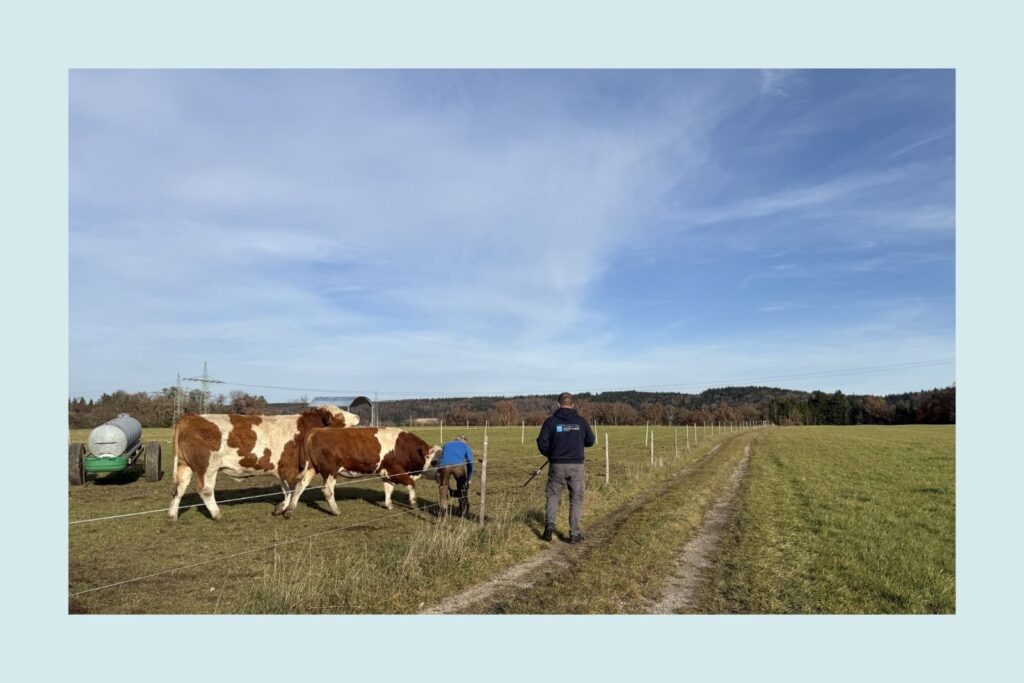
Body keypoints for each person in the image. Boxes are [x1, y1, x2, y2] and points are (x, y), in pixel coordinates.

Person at [536, 392, 595, 543]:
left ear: (558, 404)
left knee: (553, 495)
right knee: (576, 498)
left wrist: (551, 454)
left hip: (556, 465)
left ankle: (549, 527)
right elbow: (590, 440)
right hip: (576, 466)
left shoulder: (551, 421)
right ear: (573, 405)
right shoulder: (581, 422)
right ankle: (574, 533)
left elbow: (541, 442)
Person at [434, 433, 474, 517]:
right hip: (458, 466)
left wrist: (438, 472)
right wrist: (469, 478)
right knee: (462, 486)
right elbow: (470, 462)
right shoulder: (464, 446)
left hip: (444, 465)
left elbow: (443, 458)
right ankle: (463, 511)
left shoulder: (446, 444)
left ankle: (443, 510)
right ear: (465, 441)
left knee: (443, 486)